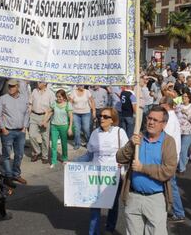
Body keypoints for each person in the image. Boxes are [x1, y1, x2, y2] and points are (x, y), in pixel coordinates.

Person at [116, 106, 177, 235]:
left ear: (164, 124)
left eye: (155, 120)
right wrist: (131, 145)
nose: (151, 122)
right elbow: (120, 158)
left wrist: (143, 168)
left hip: (155, 199)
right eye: (149, 118)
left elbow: (168, 171)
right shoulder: (139, 137)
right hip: (134, 197)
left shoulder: (168, 142)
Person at [77, 107, 128, 235]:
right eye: (101, 116)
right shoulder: (95, 133)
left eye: (106, 117)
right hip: (96, 175)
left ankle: (110, 228)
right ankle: (93, 232)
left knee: (113, 204)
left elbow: (127, 154)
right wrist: (73, 163)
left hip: (113, 175)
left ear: (113, 120)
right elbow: (89, 155)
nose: (102, 118)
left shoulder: (119, 132)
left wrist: (122, 164)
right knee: (95, 204)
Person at [0, 79, 30, 188]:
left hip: (20, 132)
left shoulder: (24, 99)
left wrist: (25, 127)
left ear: (18, 87)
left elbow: (26, 113)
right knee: (6, 155)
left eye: (13, 86)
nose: (10, 88)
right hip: (8, 132)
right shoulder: (3, 99)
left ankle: (16, 174)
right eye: (9, 86)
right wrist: (3, 128)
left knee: (19, 155)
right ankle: (8, 177)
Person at [41, 89, 73, 168]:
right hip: (54, 126)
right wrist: (44, 121)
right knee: (54, 145)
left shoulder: (67, 104)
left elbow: (71, 117)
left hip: (63, 126)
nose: (58, 98)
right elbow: (49, 112)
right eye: (57, 97)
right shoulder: (54, 103)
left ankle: (65, 158)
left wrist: (70, 128)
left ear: (63, 96)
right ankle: (53, 161)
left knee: (64, 143)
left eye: (60, 97)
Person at [29, 81, 55, 164]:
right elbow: (30, 103)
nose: (38, 83)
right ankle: (37, 151)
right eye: (37, 81)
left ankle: (45, 156)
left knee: (45, 138)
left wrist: (46, 120)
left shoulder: (50, 93)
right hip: (34, 116)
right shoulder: (34, 91)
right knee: (31, 135)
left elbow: (52, 108)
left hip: (45, 116)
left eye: (40, 82)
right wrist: (29, 112)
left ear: (45, 83)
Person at [175, 89, 191, 173]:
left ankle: (182, 168)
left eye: (185, 97)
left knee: (183, 149)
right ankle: (182, 163)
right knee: (178, 149)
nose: (184, 98)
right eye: (183, 96)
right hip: (179, 130)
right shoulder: (179, 106)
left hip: (188, 131)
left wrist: (186, 113)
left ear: (189, 98)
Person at [70, 85, 96, 149]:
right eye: (80, 85)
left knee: (86, 129)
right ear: (77, 85)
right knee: (76, 130)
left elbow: (92, 101)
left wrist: (94, 111)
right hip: (75, 113)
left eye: (83, 84)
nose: (82, 86)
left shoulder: (87, 92)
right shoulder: (73, 92)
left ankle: (88, 142)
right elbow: (70, 103)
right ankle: (77, 144)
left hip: (86, 113)